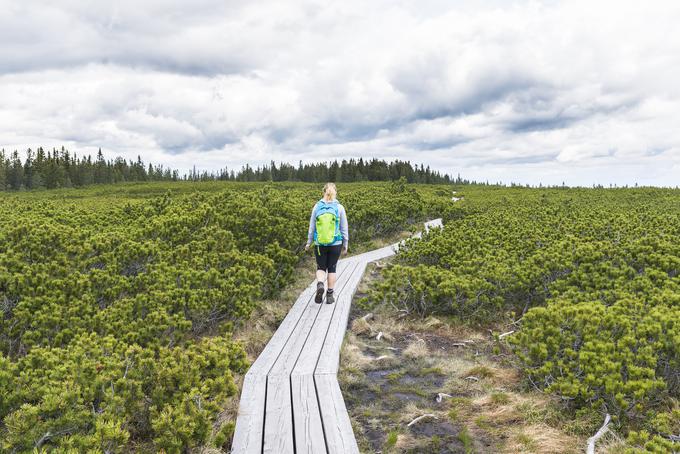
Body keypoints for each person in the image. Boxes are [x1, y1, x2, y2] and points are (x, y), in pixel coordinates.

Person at [305, 182, 348, 304]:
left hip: (320, 244)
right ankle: (329, 295)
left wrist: (309, 242)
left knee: (321, 267)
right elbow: (344, 228)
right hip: (336, 243)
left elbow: (311, 227)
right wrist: (345, 244)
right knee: (332, 268)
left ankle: (320, 284)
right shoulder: (339, 208)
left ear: (323, 192)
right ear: (335, 192)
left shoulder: (317, 207)